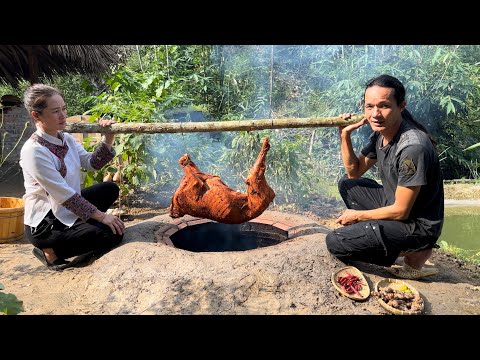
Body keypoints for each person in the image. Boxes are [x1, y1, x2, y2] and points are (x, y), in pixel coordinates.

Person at [325, 74, 444, 280]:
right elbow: (354, 172)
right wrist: (344, 136)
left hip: (416, 225)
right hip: (396, 205)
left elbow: (401, 211)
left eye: (384, 106)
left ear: (401, 106)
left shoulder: (412, 147)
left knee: (336, 242)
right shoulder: (381, 132)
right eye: (369, 106)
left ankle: (416, 251)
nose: (375, 114)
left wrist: (358, 216)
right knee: (347, 185)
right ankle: (379, 235)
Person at [20, 84, 126, 271]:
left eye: (63, 109)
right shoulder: (34, 151)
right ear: (37, 115)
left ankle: (79, 228)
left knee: (109, 189)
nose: (63, 116)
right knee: (113, 234)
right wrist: (102, 217)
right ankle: (51, 252)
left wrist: (107, 138)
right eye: (55, 111)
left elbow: (92, 163)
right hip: (46, 223)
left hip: (66, 207)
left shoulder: (66, 139)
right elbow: (64, 196)